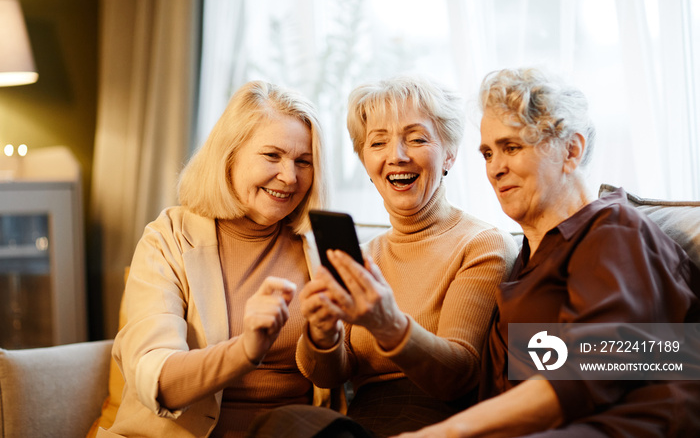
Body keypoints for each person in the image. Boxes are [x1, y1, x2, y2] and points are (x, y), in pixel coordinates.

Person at [396, 67, 700, 438]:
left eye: (512, 147)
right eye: (488, 153)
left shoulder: (613, 230)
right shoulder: (530, 256)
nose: (495, 168)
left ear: (571, 150)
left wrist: (450, 432)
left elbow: (587, 373)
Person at [248, 74, 518, 438]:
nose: (397, 156)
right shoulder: (362, 255)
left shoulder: (482, 244)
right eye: (378, 142)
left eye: (417, 138)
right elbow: (329, 375)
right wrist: (322, 332)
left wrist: (385, 322)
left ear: (449, 154)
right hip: (360, 422)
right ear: (365, 161)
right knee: (276, 428)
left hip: (437, 422)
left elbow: (459, 375)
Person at [97, 80, 331, 438]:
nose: (290, 176)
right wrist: (246, 349)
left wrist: (328, 336)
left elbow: (334, 381)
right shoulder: (168, 237)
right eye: (272, 155)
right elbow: (157, 381)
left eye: (304, 162)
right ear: (230, 155)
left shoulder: (318, 248)